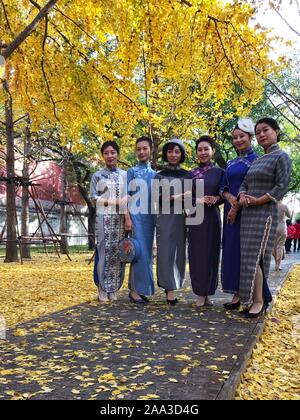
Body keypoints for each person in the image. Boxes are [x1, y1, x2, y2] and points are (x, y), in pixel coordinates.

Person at [239, 118, 291, 318]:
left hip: (265, 213)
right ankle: (253, 298)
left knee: (257, 257)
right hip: (248, 213)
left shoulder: (282, 156)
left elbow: (282, 186)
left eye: (265, 130)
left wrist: (259, 200)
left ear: (276, 132)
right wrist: (243, 195)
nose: (261, 134)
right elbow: (245, 182)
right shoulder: (258, 160)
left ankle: (259, 301)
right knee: (247, 258)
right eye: (258, 131)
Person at [220, 118, 258, 310]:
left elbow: (255, 186)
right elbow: (223, 187)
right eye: (235, 137)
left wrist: (237, 206)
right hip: (229, 211)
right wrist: (229, 199)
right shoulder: (230, 162)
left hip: (248, 211)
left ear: (250, 137)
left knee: (246, 252)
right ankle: (235, 294)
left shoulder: (257, 160)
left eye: (241, 136)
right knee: (231, 250)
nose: (238, 140)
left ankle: (249, 295)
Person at [186, 136, 224, 307]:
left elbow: (224, 194)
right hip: (195, 218)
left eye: (206, 149)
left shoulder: (220, 172)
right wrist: (199, 200)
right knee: (197, 254)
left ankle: (208, 292)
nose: (203, 152)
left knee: (212, 254)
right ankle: (200, 293)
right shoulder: (191, 174)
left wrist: (216, 198)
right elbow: (185, 198)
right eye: (200, 149)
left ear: (212, 151)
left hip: (213, 217)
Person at [90, 141, 130, 302]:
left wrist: (127, 218)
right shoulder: (97, 175)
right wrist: (112, 202)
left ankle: (112, 288)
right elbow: (94, 198)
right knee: (103, 252)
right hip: (103, 218)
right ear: (102, 156)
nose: (110, 155)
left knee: (116, 252)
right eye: (106, 153)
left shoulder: (125, 175)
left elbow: (128, 197)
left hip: (119, 220)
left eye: (113, 152)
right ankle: (101, 288)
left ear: (118, 154)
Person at [154, 138, 188, 305]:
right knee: (166, 252)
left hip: (183, 218)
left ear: (181, 154)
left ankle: (175, 283)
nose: (173, 155)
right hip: (166, 218)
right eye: (170, 151)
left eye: (177, 151)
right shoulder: (159, 176)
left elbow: (192, 198)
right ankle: (169, 290)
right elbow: (156, 199)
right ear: (165, 154)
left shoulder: (188, 175)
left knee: (179, 252)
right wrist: (178, 197)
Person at [126, 136, 157, 304]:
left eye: (144, 148)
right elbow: (126, 196)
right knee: (138, 253)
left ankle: (139, 289)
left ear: (151, 150)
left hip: (150, 217)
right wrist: (127, 218)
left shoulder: (155, 174)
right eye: (138, 149)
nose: (141, 152)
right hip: (136, 216)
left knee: (147, 254)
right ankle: (134, 291)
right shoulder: (132, 172)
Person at [272, 201, 291, 271]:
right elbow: (289, 216)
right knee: (280, 246)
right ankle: (278, 265)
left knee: (274, 246)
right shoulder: (284, 206)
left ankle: (276, 262)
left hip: (273, 227)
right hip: (282, 227)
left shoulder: (272, 206)